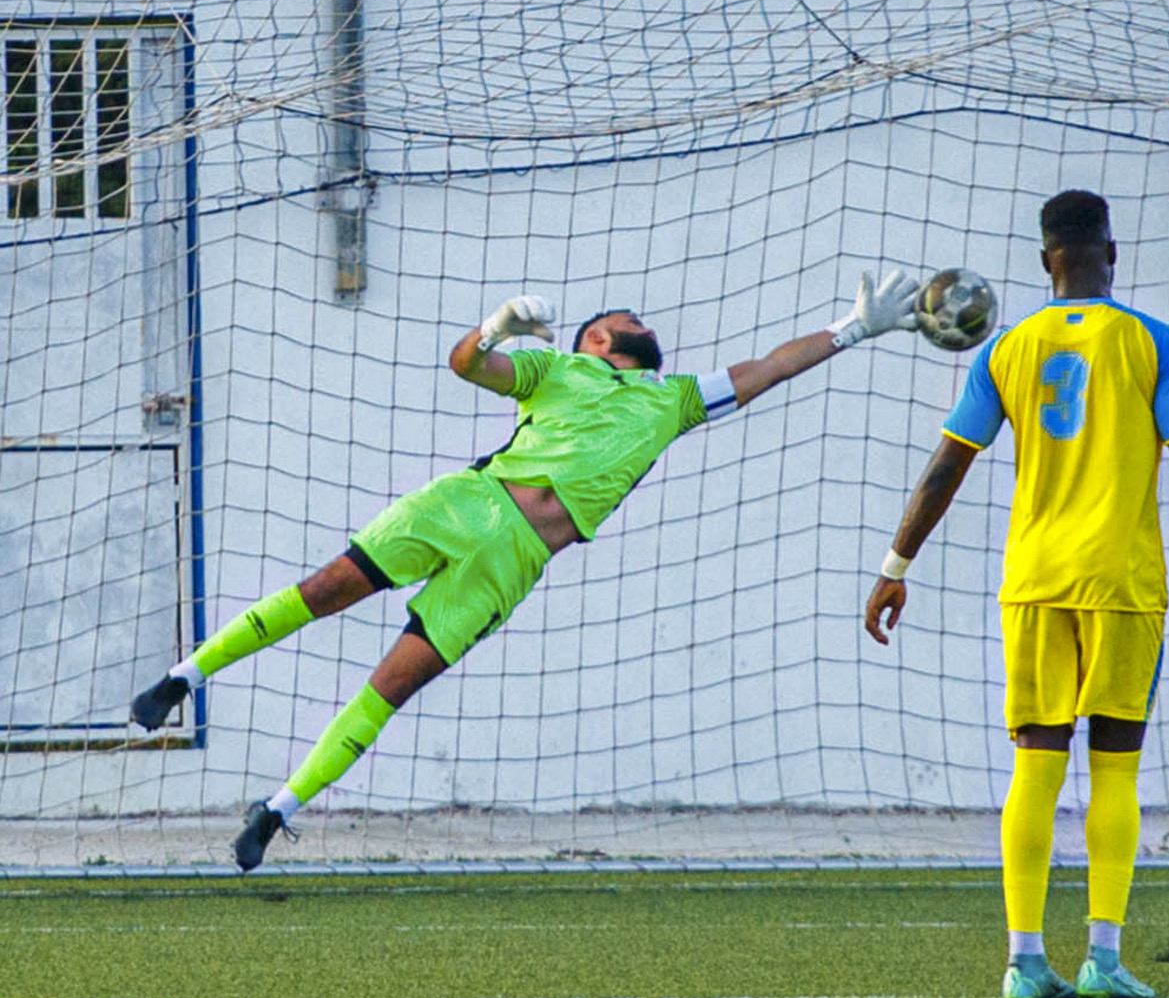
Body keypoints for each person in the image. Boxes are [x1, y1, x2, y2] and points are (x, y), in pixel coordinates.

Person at [129, 271, 921, 871]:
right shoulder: (556, 370)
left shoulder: (674, 398)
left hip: (516, 560)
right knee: (323, 592)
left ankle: (274, 812)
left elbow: (771, 367)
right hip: (463, 505)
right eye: (622, 320)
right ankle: (183, 678)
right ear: (594, 342)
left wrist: (851, 329)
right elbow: (469, 365)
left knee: (393, 685)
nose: (639, 322)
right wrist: (498, 326)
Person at [863, 190, 1169, 998]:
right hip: (1120, 583)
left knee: (1035, 768)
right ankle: (1102, 958)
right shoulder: (1153, 343)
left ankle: (1021, 963)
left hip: (1035, 582)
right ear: (1108, 253)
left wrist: (895, 565)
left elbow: (947, 465)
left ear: (1044, 259)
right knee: (1114, 770)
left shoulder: (1004, 349)